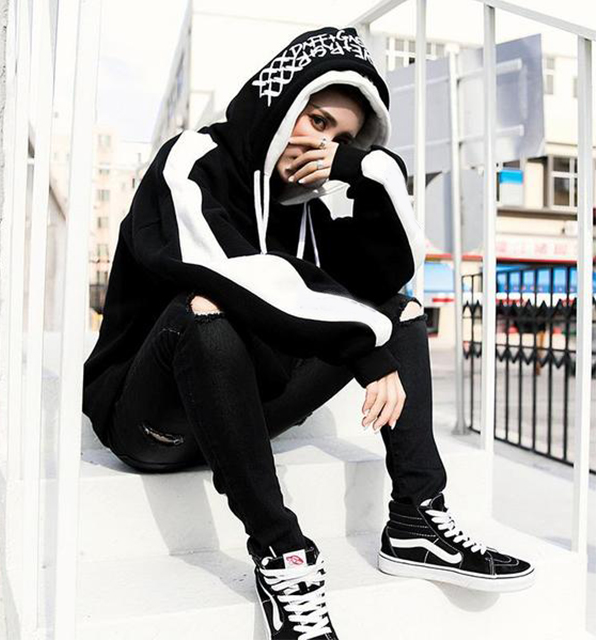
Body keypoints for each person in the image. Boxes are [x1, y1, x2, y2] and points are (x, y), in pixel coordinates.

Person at [83, 25, 535, 640]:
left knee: (395, 309)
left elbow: (390, 273)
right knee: (205, 308)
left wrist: (370, 172)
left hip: (251, 409)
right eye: (318, 122)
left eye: (342, 139)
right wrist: (362, 352)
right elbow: (227, 270)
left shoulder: (311, 207)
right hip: (153, 420)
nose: (324, 147)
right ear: (278, 103)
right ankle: (283, 554)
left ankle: (417, 518)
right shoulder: (191, 161)